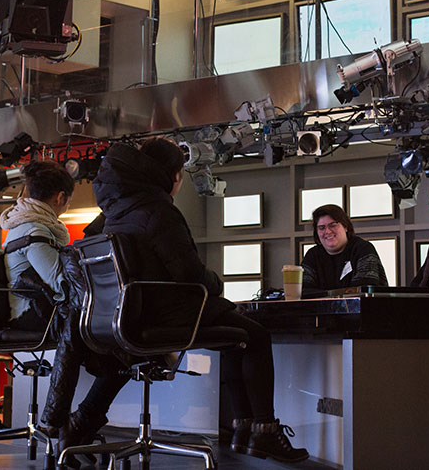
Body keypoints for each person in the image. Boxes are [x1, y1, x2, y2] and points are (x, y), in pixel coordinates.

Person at [92, 138, 309, 464]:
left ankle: (244, 429)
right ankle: (263, 432)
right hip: (169, 315)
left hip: (133, 315)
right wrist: (216, 282)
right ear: (174, 176)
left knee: (239, 336)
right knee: (257, 335)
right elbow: (191, 276)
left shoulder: (116, 212)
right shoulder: (159, 211)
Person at [0, 160, 128, 459]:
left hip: (35, 311)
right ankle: (68, 425)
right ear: (61, 198)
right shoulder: (34, 229)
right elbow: (60, 284)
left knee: (115, 360)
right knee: (118, 355)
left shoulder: (23, 222)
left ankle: (72, 427)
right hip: (33, 316)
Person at [301, 204, 388, 297]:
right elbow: (303, 291)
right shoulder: (312, 255)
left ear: (345, 227)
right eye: (322, 228)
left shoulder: (363, 249)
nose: (327, 231)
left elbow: (362, 291)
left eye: (333, 225)